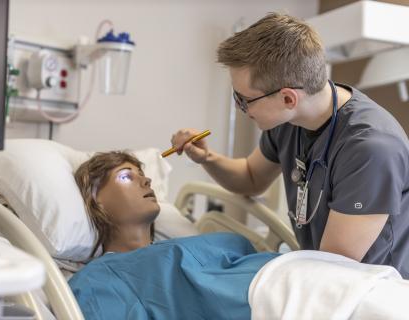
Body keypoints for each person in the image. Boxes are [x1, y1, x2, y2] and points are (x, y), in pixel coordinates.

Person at [170, 12, 409, 278]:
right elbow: (250, 178)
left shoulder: (371, 148)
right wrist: (207, 158)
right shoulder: (288, 121)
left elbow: (333, 264)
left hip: (374, 294)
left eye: (243, 100)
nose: (241, 109)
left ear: (287, 99)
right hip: (323, 275)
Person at [71, 151, 279, 319]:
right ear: (95, 198)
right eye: (126, 176)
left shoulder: (190, 245)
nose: (146, 181)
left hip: (284, 280)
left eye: (142, 174)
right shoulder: (96, 280)